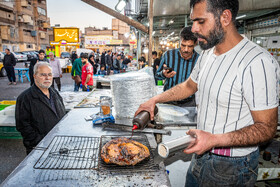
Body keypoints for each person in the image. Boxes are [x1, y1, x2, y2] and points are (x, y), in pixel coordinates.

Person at [135, 0, 279, 186]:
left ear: (225, 17)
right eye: (193, 21)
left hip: (232, 167)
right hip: (200, 154)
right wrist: (154, 99)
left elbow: (266, 128)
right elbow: (189, 86)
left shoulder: (257, 62)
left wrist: (215, 139)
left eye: (200, 21)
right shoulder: (208, 53)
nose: (194, 29)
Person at [16, 62, 66, 154]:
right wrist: (41, 141)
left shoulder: (54, 93)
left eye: (49, 74)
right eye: (43, 75)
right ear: (35, 76)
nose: (47, 78)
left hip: (58, 143)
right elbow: (22, 126)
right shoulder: (25, 98)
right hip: (39, 148)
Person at [156, 26, 199, 106]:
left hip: (189, 103)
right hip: (169, 101)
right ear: (180, 41)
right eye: (183, 45)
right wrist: (163, 74)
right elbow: (157, 76)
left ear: (195, 43)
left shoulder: (199, 60)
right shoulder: (168, 55)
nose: (186, 49)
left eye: (190, 46)